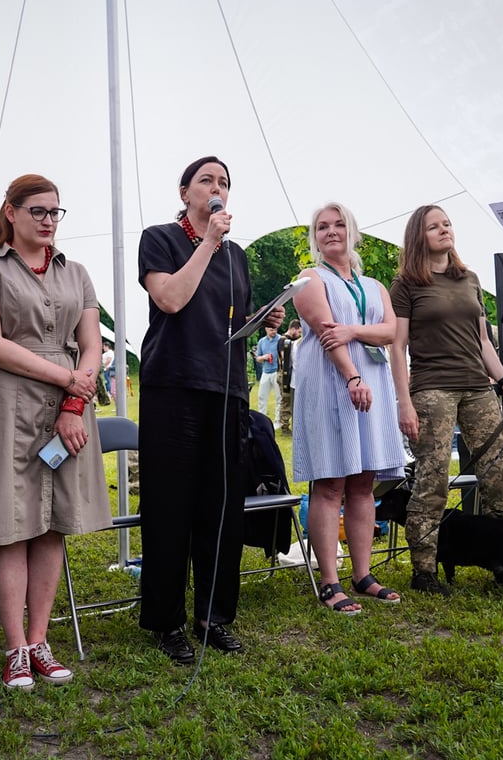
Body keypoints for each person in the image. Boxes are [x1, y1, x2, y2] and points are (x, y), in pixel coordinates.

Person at [0, 173, 109, 691]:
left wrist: (74, 403)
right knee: (9, 526)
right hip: (3, 405)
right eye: (38, 211)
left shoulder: (76, 272)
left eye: (56, 212)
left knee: (54, 524)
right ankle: (14, 649)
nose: (48, 221)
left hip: (67, 405)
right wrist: (65, 378)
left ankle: (41, 641)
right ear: (11, 212)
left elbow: (90, 347)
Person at [136, 155, 283, 664]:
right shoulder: (160, 238)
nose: (217, 187)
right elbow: (173, 299)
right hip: (172, 387)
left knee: (221, 509)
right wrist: (207, 244)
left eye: (224, 181)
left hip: (227, 391)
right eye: (207, 180)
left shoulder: (237, 254)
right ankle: (166, 622)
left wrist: (262, 315)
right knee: (170, 507)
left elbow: (226, 317)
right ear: (185, 192)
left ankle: (212, 617)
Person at [390, 204, 503, 595]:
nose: (444, 230)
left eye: (447, 223)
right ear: (419, 235)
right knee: (432, 479)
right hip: (431, 388)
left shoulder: (469, 278)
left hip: (478, 387)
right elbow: (397, 347)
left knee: (499, 474)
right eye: (434, 226)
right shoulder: (406, 284)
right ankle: (424, 570)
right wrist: (404, 401)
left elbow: (483, 341)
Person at [293, 203, 406, 613]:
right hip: (330, 384)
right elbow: (326, 333)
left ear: (352, 231)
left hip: (371, 385)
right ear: (315, 237)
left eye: (339, 224)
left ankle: (363, 575)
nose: (331, 231)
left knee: (363, 481)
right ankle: (329, 580)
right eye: (322, 227)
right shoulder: (309, 279)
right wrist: (351, 375)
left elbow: (391, 330)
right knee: (330, 483)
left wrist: (356, 331)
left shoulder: (375, 285)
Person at [277, 319, 301, 434]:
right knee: (286, 400)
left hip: (289, 374)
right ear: (293, 329)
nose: (299, 335)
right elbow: (284, 358)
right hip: (284, 374)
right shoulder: (283, 340)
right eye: (299, 332)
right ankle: (284, 426)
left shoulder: (290, 340)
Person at [254, 324, 282, 424]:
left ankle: (278, 421)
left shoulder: (280, 339)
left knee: (279, 398)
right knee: (262, 397)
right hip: (265, 372)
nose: (273, 331)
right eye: (271, 329)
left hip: (277, 372)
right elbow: (258, 358)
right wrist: (264, 357)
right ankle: (262, 420)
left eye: (275, 329)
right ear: (266, 329)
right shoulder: (262, 341)